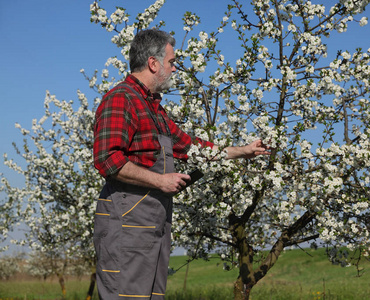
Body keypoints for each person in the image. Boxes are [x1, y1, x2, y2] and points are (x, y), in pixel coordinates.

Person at [92, 28, 269, 300]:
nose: (175, 69)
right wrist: (159, 181)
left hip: (154, 222)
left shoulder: (154, 109)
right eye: (171, 62)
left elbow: (192, 148)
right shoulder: (121, 99)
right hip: (126, 224)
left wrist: (243, 151)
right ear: (153, 63)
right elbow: (107, 159)